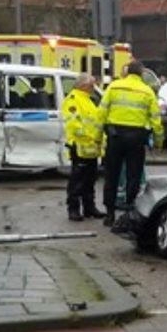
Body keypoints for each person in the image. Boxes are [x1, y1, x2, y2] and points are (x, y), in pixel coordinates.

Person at [99, 60, 163, 227]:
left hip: (115, 136)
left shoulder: (114, 87)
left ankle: (110, 213)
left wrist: (99, 135)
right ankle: (129, 211)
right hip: (136, 138)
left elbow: (102, 112)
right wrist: (158, 141)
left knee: (111, 175)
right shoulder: (147, 91)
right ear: (141, 74)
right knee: (133, 176)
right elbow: (156, 119)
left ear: (127, 72)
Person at [61, 73, 106, 221]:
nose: (94, 88)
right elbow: (74, 123)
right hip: (80, 146)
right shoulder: (73, 100)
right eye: (92, 85)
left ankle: (89, 207)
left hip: (91, 148)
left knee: (90, 180)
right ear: (83, 86)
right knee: (77, 180)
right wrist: (90, 136)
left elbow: (95, 122)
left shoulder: (88, 100)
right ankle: (73, 209)